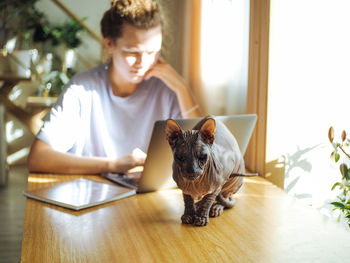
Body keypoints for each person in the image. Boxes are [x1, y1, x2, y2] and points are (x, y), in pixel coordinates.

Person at [27, 0, 201, 175]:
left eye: (152, 52)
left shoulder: (168, 90)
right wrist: (113, 165)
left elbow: (205, 155)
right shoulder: (82, 88)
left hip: (145, 197)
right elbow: (38, 158)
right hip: (91, 195)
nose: (143, 63)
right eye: (133, 52)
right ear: (109, 44)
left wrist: (181, 87)